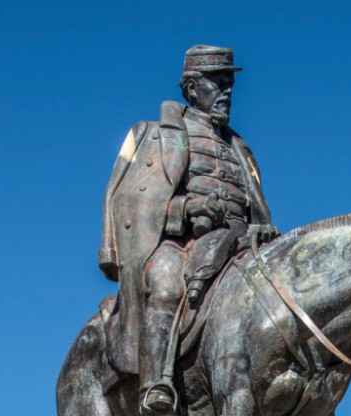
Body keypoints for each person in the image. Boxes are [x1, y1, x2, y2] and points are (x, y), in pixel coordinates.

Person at [98, 45, 279, 414]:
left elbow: (254, 204)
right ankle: (155, 384)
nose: (227, 91)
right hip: (176, 242)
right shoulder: (155, 134)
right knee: (165, 285)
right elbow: (131, 201)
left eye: (229, 83)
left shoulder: (240, 147)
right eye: (218, 82)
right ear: (193, 88)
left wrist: (262, 228)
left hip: (236, 243)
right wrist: (185, 207)